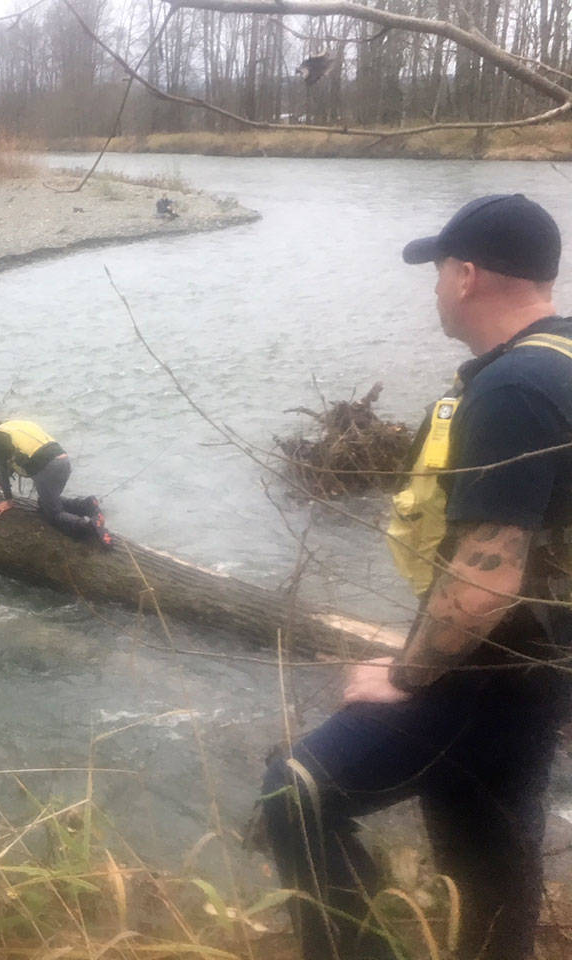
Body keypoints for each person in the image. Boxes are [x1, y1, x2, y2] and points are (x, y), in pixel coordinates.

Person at [260, 194, 572, 960]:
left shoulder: (512, 391)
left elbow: (484, 579)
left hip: (489, 672)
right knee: (487, 845)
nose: (434, 289)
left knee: (292, 791)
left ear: (466, 276)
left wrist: (406, 673)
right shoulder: (562, 358)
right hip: (544, 664)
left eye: (437, 273)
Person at [0, 415, 109, 544]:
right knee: (47, 501)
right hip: (63, 460)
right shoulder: (12, 426)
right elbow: (16, 456)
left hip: (48, 468)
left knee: (53, 514)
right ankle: (88, 504)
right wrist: (0, 481)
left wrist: (8, 501)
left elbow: (1, 468)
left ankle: (89, 527)